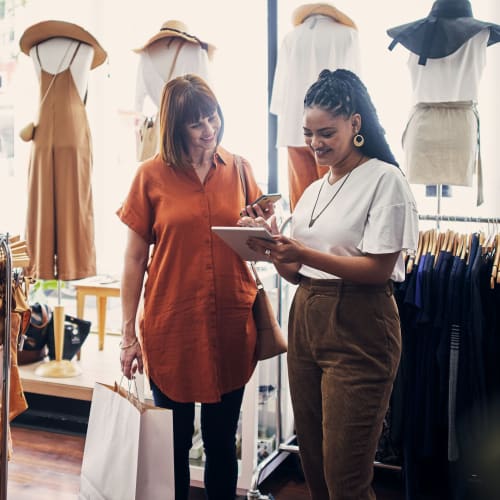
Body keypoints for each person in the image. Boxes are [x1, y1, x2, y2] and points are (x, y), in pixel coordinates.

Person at [243, 69, 419, 499]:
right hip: (306, 320)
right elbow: (297, 273)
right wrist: (272, 245)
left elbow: (379, 270)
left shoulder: (384, 180)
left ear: (355, 125)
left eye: (326, 132)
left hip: (360, 326)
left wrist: (302, 253)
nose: (315, 143)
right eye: (308, 133)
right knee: (316, 469)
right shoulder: (314, 190)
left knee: (346, 478)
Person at [117, 74, 274, 500]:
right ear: (175, 128)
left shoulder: (240, 169)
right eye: (197, 124)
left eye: (213, 117)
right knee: (174, 445)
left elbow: (263, 243)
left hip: (230, 324)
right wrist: (128, 336)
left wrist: (260, 229)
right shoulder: (149, 176)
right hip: (173, 327)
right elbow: (134, 261)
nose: (210, 129)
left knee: (223, 443)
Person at [270, 2, 361, 211]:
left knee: (300, 206)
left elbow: (279, 97)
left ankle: (298, 244)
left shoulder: (290, 38)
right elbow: (357, 89)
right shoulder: (348, 35)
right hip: (334, 129)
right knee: (336, 204)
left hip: (294, 127)